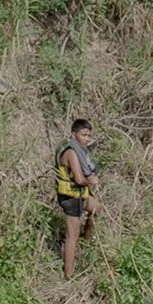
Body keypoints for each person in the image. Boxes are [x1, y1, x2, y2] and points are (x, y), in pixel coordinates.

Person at [54, 117, 102, 280]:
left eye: (88, 135)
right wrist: (92, 181)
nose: (87, 139)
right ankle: (69, 275)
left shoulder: (81, 151)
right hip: (70, 198)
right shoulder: (71, 153)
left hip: (80, 195)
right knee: (71, 237)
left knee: (96, 208)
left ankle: (86, 240)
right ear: (74, 134)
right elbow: (80, 179)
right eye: (83, 135)